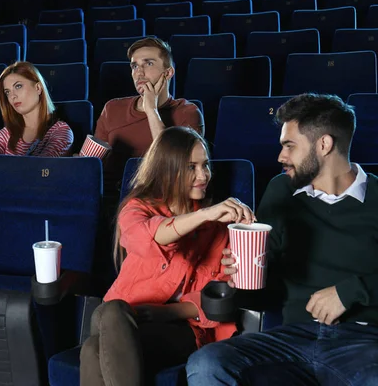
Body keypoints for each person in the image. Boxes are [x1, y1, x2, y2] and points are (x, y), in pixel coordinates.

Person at [186, 93, 378, 385]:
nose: (280, 157)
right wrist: (241, 280)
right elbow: (263, 294)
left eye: (289, 145)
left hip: (364, 341)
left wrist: (349, 292)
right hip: (289, 338)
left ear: (324, 145)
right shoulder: (281, 190)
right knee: (207, 363)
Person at [80, 126, 255, 386]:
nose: (203, 175)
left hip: (183, 330)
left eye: (205, 165)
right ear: (168, 169)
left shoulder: (219, 228)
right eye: (191, 167)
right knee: (112, 312)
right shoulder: (137, 209)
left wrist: (167, 313)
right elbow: (149, 237)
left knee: (92, 349)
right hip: (124, 316)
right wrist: (203, 215)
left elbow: (218, 299)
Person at [94, 37, 204, 195]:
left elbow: (179, 168)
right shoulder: (112, 108)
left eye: (149, 63)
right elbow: (96, 163)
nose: (139, 72)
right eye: (134, 66)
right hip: (112, 197)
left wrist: (151, 109)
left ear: (168, 73)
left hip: (162, 196)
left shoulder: (188, 112)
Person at [0, 61, 73, 163]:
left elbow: (40, 166)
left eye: (18, 86)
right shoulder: (6, 133)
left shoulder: (60, 130)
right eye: (7, 92)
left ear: (38, 88)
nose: (13, 96)